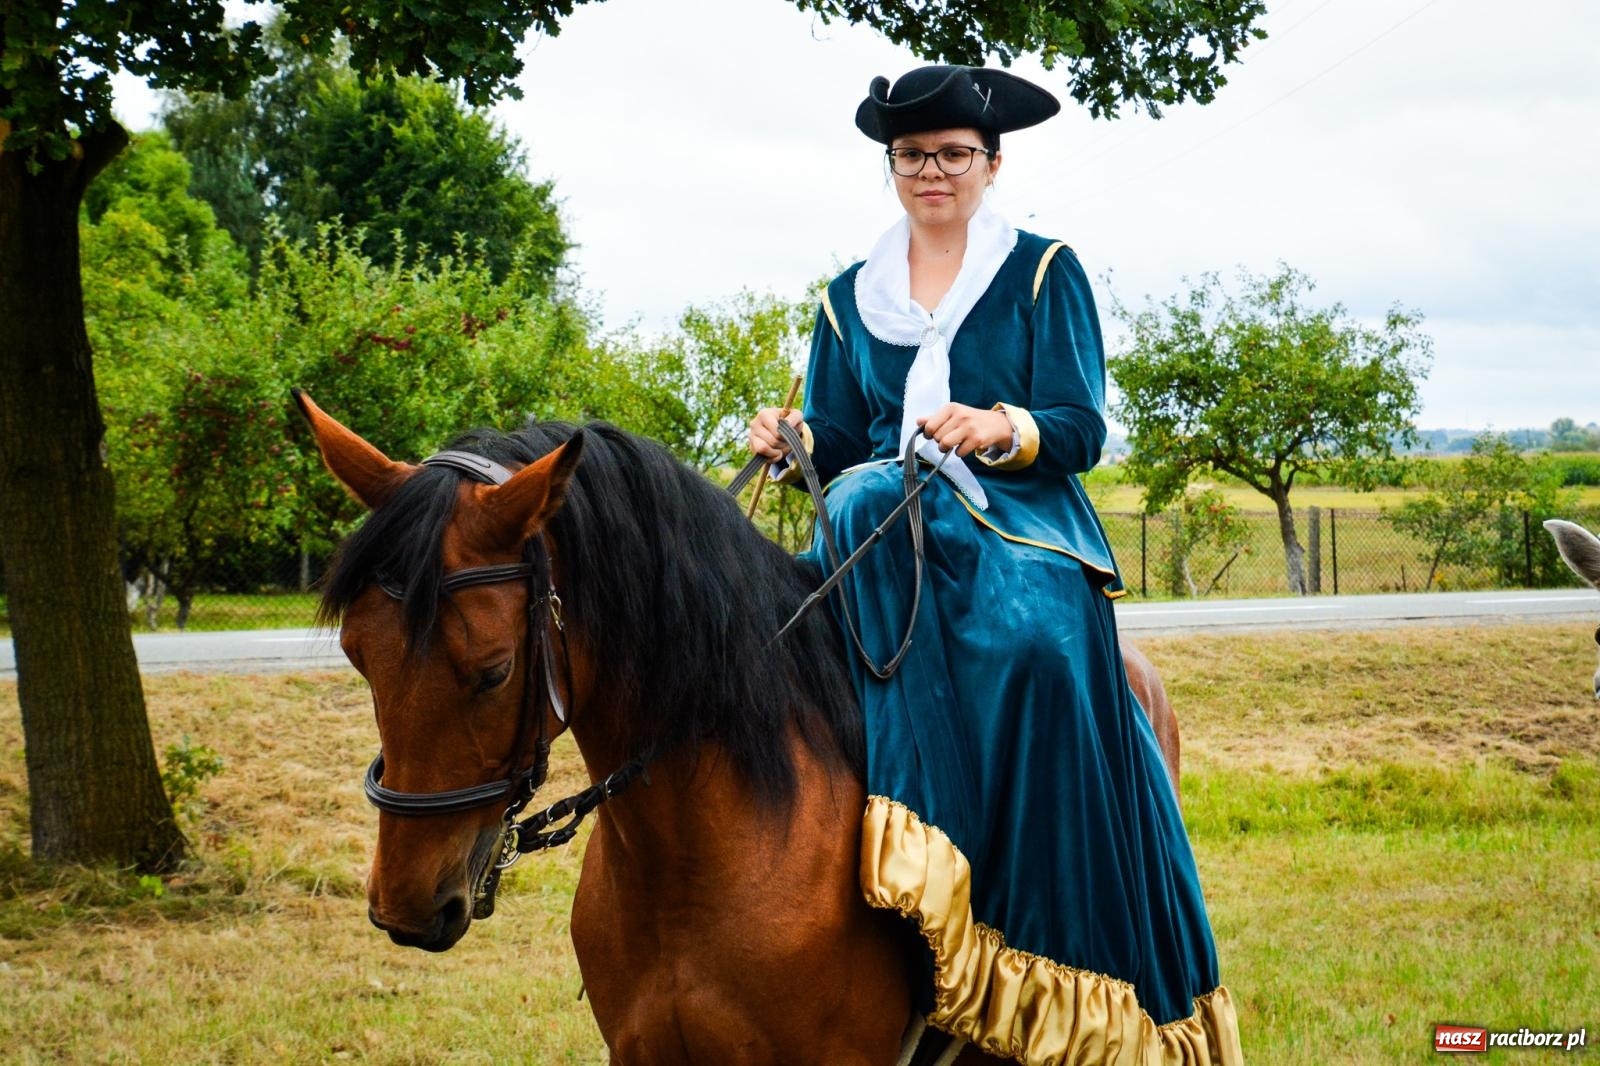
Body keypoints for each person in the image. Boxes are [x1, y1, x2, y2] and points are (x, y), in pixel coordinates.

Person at [748, 66, 1242, 1064]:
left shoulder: (1044, 270)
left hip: (1016, 521)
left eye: (952, 155)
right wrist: (792, 434)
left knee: (1035, 649)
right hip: (877, 532)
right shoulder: (847, 300)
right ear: (889, 166)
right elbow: (843, 442)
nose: (931, 171)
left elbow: (1077, 425)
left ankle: (1024, 910)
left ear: (991, 162)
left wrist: (996, 423)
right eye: (912, 155)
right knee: (802, 599)